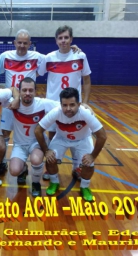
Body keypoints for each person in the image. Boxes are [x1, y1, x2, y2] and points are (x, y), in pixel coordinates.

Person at [35, 87, 107, 202]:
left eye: (72, 105)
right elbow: (38, 130)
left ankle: (84, 186)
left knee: (89, 163)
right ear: (61, 104)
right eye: (65, 105)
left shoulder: (85, 113)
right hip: (61, 138)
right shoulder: (56, 112)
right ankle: (54, 182)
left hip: (83, 139)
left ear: (79, 104)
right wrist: (46, 150)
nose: (68, 109)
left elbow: (102, 136)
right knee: (50, 158)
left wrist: (92, 156)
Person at [42, 25, 92, 180]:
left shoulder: (80, 56)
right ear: (56, 40)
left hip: (72, 105)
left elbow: (87, 80)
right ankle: (50, 168)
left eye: (66, 37)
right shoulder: (48, 57)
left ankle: (77, 167)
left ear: (71, 39)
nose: (63, 41)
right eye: (60, 38)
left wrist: (84, 102)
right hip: (53, 104)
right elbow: (36, 72)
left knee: (75, 134)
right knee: (52, 134)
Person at [0, 29, 46, 170]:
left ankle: (24, 162)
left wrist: (74, 50)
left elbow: (56, 57)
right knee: (5, 133)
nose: (22, 45)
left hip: (28, 104)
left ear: (30, 44)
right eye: (19, 42)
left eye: (25, 43)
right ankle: (2, 162)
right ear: (14, 43)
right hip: (9, 102)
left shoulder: (37, 57)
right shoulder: (5, 56)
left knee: (28, 134)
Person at [9, 77, 59, 197]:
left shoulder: (42, 103)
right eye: (24, 90)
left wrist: (83, 106)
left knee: (36, 160)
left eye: (31, 90)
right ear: (19, 91)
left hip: (36, 143)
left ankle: (36, 183)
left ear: (35, 91)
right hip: (19, 144)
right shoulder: (13, 103)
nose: (27, 93)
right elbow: (6, 90)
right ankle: (23, 169)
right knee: (14, 171)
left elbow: (63, 105)